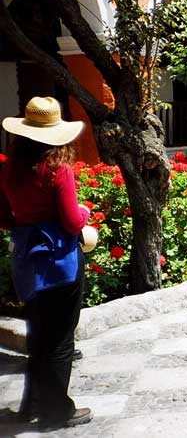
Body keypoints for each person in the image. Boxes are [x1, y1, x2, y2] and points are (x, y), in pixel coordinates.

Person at [0, 96, 93, 428]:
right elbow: (71, 221)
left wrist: (29, 226)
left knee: (37, 335)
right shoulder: (58, 169)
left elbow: (4, 217)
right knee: (60, 339)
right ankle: (56, 413)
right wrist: (84, 213)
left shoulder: (10, 169)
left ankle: (33, 405)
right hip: (59, 260)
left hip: (27, 260)